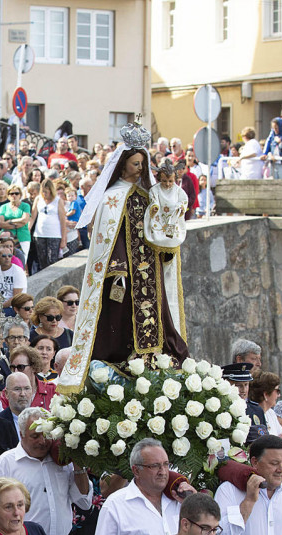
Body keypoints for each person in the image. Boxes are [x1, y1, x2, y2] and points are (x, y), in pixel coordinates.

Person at [59, 123, 187, 394]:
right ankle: (124, 362)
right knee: (121, 319)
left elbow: (159, 228)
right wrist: (118, 267)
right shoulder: (112, 198)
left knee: (156, 314)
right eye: (135, 163)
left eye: (142, 163)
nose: (140, 169)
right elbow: (110, 238)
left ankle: (156, 360)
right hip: (124, 274)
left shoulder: (147, 195)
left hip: (149, 271)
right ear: (123, 165)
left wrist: (165, 249)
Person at [0, 406, 92, 535]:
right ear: (21, 434)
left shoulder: (62, 460)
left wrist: (78, 464)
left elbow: (84, 502)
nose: (43, 441)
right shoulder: (7, 463)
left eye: (47, 434)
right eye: (35, 436)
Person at [88, 438, 194, 535]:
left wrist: (194, 503)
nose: (163, 472)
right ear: (136, 470)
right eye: (155, 466)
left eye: (166, 464)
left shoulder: (181, 501)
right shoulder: (116, 504)